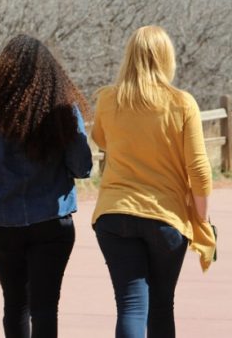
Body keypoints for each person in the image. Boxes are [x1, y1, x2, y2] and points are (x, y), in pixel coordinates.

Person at [0, 34, 93, 338]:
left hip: (4, 224)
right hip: (53, 222)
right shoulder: (64, 111)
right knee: (45, 307)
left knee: (15, 304)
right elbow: (82, 167)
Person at [91, 25, 215, 338]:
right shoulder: (182, 102)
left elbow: (101, 139)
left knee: (130, 305)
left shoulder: (108, 99)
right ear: (166, 58)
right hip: (166, 218)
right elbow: (199, 168)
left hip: (114, 213)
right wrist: (201, 219)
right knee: (161, 304)